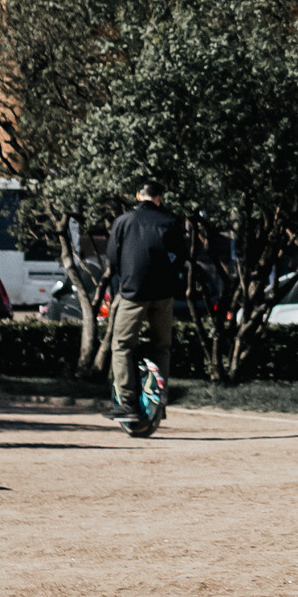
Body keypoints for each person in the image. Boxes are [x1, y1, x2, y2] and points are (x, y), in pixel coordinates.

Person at [99, 184, 185, 433]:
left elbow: (112, 258)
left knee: (122, 345)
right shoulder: (170, 222)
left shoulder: (123, 221)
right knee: (162, 347)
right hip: (163, 295)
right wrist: (169, 277)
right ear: (159, 198)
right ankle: (160, 399)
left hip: (133, 293)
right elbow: (182, 255)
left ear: (138, 197)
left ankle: (127, 402)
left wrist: (125, 277)